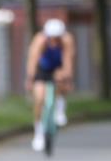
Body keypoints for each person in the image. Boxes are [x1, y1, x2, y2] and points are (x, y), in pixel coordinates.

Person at [26, 18, 75, 151]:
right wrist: (30, 79)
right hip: (43, 68)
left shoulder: (67, 40)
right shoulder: (40, 40)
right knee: (40, 98)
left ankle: (59, 108)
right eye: (51, 38)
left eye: (57, 38)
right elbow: (33, 60)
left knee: (61, 78)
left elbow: (68, 61)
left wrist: (68, 79)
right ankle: (38, 133)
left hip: (58, 67)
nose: (54, 41)